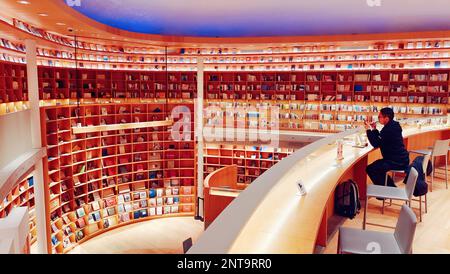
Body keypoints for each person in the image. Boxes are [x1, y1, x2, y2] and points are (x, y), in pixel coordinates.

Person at [365, 107, 409, 188]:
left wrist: (368, 130)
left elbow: (376, 143)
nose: (378, 119)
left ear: (387, 118)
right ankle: (389, 187)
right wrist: (374, 129)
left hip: (395, 161)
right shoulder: (394, 125)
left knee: (371, 169)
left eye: (379, 117)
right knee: (376, 167)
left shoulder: (388, 130)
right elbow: (381, 138)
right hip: (400, 158)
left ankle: (390, 188)